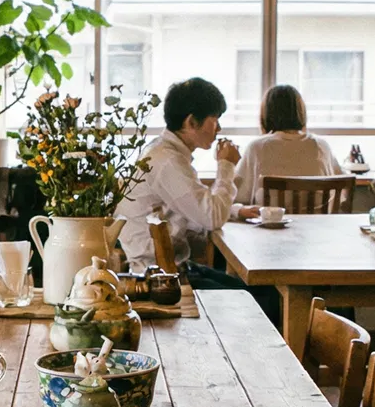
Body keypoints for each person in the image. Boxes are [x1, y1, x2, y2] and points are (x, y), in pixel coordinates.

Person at [113, 79, 277, 319]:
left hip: (171, 270)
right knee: (268, 299)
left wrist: (234, 210)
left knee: (263, 291)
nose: (219, 128)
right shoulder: (168, 161)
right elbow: (211, 218)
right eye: (214, 120)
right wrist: (226, 165)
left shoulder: (163, 152)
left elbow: (191, 209)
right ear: (191, 122)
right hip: (162, 280)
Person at [233, 84, 347, 205]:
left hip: (272, 217)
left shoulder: (257, 147)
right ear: (301, 112)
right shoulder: (321, 146)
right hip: (317, 217)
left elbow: (237, 195)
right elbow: (341, 189)